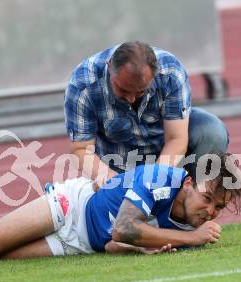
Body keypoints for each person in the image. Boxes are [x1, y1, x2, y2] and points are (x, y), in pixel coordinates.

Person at [0, 152, 241, 265]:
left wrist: (144, 250)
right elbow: (123, 227)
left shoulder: (185, 223)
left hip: (80, 243)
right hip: (70, 206)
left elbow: (113, 243)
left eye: (218, 207)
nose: (210, 211)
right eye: (207, 198)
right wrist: (190, 240)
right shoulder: (159, 178)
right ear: (186, 182)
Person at [64, 41, 229, 188]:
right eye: (123, 89)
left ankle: (191, 205)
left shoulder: (171, 72)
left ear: (154, 75)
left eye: (140, 91)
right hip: (117, 164)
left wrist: (152, 182)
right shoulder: (83, 83)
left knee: (212, 131)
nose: (130, 98)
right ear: (109, 67)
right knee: (128, 218)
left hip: (167, 155)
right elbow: (81, 149)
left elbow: (176, 139)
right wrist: (114, 183)